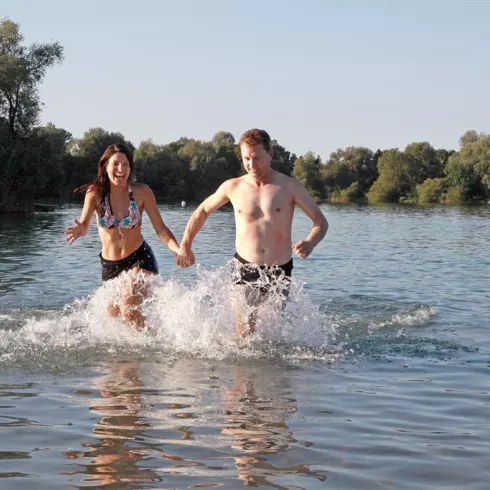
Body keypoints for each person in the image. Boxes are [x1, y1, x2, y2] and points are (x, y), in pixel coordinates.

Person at [176, 128, 328, 336]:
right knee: (244, 336)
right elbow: (202, 211)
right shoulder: (233, 187)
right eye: (246, 158)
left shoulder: (289, 186)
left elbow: (320, 221)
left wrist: (311, 242)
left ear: (270, 154)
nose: (251, 164)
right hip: (244, 268)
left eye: (257, 158)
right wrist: (186, 244)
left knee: (272, 336)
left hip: (279, 270)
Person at [65, 143, 181, 329]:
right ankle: (140, 350)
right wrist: (80, 230)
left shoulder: (142, 192)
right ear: (105, 166)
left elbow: (160, 229)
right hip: (110, 266)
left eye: (125, 164)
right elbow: (85, 226)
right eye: (116, 164)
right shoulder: (94, 193)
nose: (121, 169)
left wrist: (178, 250)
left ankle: (149, 349)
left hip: (139, 258)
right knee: (116, 324)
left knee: (128, 306)